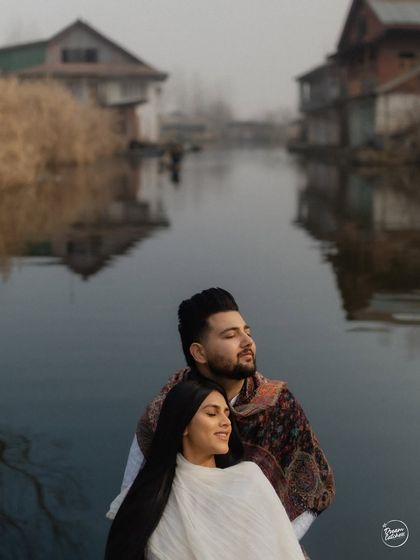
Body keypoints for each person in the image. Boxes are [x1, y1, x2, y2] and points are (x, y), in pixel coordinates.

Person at [108, 288, 335, 544]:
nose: (247, 342)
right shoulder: (169, 405)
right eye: (230, 335)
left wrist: (269, 547)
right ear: (199, 353)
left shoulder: (278, 406)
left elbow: (313, 494)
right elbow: (132, 491)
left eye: (247, 332)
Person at [105, 379, 305, 560]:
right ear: (183, 425)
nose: (226, 422)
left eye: (227, 413)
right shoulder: (147, 496)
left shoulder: (249, 482)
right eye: (212, 413)